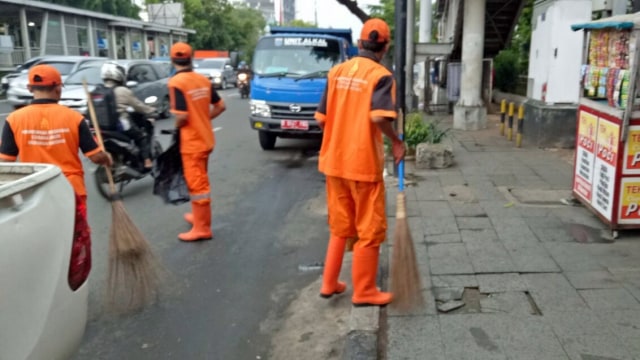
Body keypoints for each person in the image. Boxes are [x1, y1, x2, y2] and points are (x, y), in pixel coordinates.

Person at [314, 18, 405, 307]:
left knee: (341, 226)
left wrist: (338, 137)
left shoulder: (336, 72)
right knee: (370, 229)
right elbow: (379, 117)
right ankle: (364, 291)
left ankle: (329, 283)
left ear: (360, 43)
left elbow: (321, 119)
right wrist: (397, 141)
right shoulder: (382, 76)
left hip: (333, 163)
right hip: (363, 165)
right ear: (385, 46)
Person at [0, 64, 113, 260]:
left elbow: (6, 161)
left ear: (29, 89)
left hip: (34, 191)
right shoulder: (74, 118)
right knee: (75, 241)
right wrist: (107, 158)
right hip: (70, 190)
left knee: (43, 240)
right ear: (58, 88)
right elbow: (94, 156)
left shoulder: (14, 119)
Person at [168, 42, 226, 242]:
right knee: (198, 180)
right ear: (191, 58)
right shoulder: (203, 80)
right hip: (205, 140)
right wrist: (203, 119)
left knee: (197, 186)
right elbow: (220, 106)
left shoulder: (176, 83)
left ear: (172, 59)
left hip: (192, 143)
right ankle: (198, 217)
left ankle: (202, 228)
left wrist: (176, 127)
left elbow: (182, 116)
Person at [100, 61, 158, 170]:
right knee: (141, 136)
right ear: (118, 74)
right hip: (120, 124)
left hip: (101, 126)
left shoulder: (98, 90)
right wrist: (151, 110)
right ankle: (147, 161)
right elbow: (138, 106)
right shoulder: (122, 90)